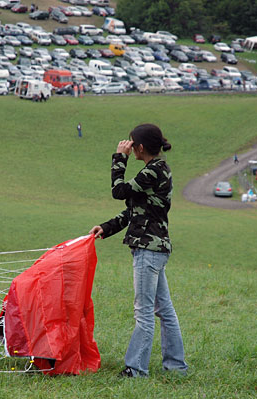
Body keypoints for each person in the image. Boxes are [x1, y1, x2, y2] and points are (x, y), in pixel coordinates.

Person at [89, 124, 188, 378]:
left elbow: (118, 191)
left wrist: (119, 157)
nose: (130, 147)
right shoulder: (155, 171)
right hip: (155, 248)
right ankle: (176, 366)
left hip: (149, 249)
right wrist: (107, 228)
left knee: (144, 311)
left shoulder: (154, 171)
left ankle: (135, 369)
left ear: (140, 147)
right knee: (164, 310)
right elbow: (134, 210)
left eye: (132, 144)